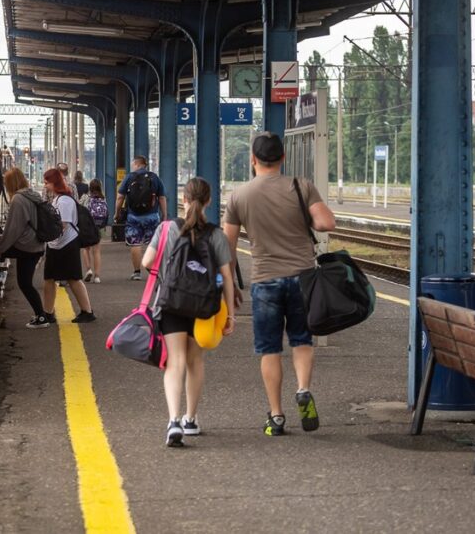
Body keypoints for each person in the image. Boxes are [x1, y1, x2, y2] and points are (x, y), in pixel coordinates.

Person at [222, 132, 336, 437]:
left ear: (253, 160)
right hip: (302, 278)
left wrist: (230, 288)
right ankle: (303, 389)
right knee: (301, 340)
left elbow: (227, 247)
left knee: (270, 349)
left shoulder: (239, 196)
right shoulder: (301, 186)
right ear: (282, 158)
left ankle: (276, 416)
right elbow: (326, 223)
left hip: (264, 280)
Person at [143, 177, 236, 447]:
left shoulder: (166, 228)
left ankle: (173, 420)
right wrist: (230, 315)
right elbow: (227, 277)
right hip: (203, 306)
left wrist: (168, 277)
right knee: (195, 361)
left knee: (176, 361)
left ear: (183, 199)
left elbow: (147, 261)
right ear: (209, 201)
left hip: (171, 303)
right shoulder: (216, 235)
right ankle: (191, 420)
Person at [0, 168, 49, 327]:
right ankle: (41, 316)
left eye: (6, 183)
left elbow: (12, 230)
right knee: (25, 283)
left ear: (11, 183)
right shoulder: (33, 195)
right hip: (35, 245)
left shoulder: (18, 200)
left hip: (25, 246)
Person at [42, 168, 95, 323]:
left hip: (67, 244)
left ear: (54, 183)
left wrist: (46, 235)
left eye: (47, 182)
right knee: (50, 278)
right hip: (57, 244)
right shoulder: (59, 199)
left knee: (73, 278)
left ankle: (87, 312)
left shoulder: (64, 201)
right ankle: (48, 312)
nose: (45, 185)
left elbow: (63, 225)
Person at [115, 156, 168, 281]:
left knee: (135, 243)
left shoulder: (129, 177)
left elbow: (120, 197)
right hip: (152, 216)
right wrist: (164, 214)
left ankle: (137, 272)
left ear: (137, 164)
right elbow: (162, 198)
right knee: (152, 243)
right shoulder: (154, 177)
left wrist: (117, 213)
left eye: (133, 164)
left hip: (133, 216)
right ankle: (154, 270)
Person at [80, 178, 108, 284]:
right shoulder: (103, 198)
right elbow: (106, 213)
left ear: (90, 187)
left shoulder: (85, 197)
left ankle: (88, 270)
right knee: (96, 251)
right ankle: (97, 277)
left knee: (85, 249)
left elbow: (79, 209)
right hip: (98, 227)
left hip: (87, 227)